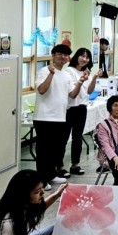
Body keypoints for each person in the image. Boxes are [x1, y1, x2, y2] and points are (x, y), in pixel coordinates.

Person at [34, 44, 74, 187]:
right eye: (59, 54)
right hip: (44, 117)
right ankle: (42, 181)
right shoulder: (44, 71)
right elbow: (41, 90)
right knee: (43, 151)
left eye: (65, 55)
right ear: (53, 55)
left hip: (60, 117)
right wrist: (51, 73)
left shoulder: (67, 74)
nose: (62, 57)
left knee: (55, 150)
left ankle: (51, 175)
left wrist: (81, 82)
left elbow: (72, 94)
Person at [64, 48, 100, 176]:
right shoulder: (69, 71)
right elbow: (72, 91)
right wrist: (82, 80)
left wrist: (94, 77)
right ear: (76, 57)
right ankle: (59, 167)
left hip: (82, 107)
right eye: (82, 56)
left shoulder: (87, 72)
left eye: (87, 57)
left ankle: (75, 165)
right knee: (64, 138)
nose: (84, 59)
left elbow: (89, 91)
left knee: (78, 137)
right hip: (69, 108)